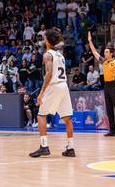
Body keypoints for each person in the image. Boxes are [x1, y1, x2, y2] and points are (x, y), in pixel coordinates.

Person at [30, 29, 75, 158]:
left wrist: (42, 92)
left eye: (45, 38)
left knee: (41, 115)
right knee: (67, 118)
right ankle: (70, 148)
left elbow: (49, 73)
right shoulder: (60, 55)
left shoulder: (48, 54)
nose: (44, 40)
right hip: (64, 85)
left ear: (48, 41)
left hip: (54, 85)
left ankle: (44, 146)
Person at [88, 32, 115, 136]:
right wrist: (90, 41)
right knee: (108, 109)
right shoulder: (104, 62)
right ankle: (112, 130)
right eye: (104, 52)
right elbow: (94, 52)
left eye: (107, 52)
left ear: (112, 53)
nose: (105, 53)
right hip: (106, 85)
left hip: (114, 85)